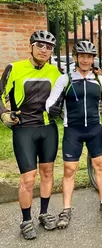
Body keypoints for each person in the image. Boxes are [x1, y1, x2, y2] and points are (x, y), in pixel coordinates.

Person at [46, 40, 102, 229]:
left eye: (89, 57)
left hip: (94, 128)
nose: (86, 60)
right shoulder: (65, 79)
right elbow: (51, 101)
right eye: (82, 56)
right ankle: (66, 209)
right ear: (75, 57)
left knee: (100, 166)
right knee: (70, 169)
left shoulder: (99, 79)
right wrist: (51, 108)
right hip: (74, 130)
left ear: (93, 59)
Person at [0, 30, 61, 239]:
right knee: (28, 178)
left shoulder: (55, 72)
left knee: (47, 173)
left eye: (49, 47)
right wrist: (4, 115)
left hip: (48, 128)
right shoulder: (14, 68)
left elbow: (70, 91)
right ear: (31, 46)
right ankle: (26, 220)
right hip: (24, 129)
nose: (45, 50)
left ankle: (44, 213)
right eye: (40, 45)